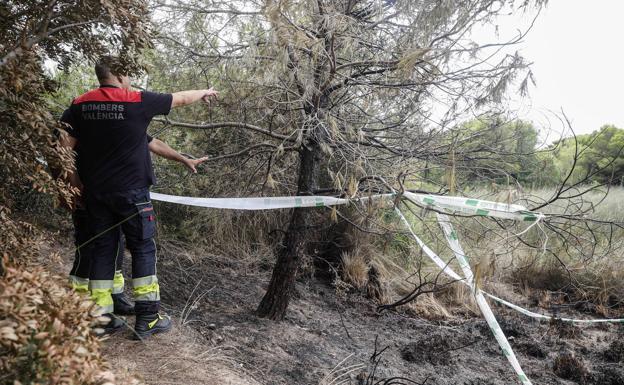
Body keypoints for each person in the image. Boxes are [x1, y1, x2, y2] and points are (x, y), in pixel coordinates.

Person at [60, 55, 218, 339]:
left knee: (103, 251)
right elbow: (181, 98)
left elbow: (62, 148)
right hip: (133, 194)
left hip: (96, 195)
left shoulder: (80, 104)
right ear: (119, 75)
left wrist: (73, 185)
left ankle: (101, 317)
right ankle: (148, 317)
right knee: (143, 248)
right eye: (128, 75)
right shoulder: (136, 100)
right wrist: (204, 93)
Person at [64, 134, 209, 318]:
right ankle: (77, 299)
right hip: (86, 194)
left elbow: (151, 142)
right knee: (89, 247)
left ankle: (114, 296)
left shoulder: (121, 118)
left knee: (113, 245)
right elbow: (60, 152)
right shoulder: (79, 117)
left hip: (112, 195)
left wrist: (183, 159)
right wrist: (70, 187)